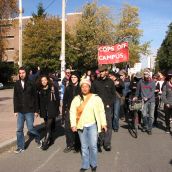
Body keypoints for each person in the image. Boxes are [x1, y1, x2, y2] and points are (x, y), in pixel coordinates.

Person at [70, 79, 107, 172]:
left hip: (92, 126)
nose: (85, 88)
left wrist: (103, 123)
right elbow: (72, 112)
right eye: (83, 86)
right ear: (81, 88)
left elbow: (101, 112)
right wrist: (73, 125)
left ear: (89, 87)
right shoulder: (76, 99)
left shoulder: (96, 98)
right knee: (84, 146)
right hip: (81, 126)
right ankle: (85, 165)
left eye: (86, 86)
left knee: (93, 146)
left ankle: (93, 164)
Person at [13, 67, 42, 153]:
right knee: (19, 129)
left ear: (26, 73)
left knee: (30, 128)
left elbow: (36, 98)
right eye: (20, 73)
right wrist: (15, 110)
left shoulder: (31, 83)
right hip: (21, 110)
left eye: (23, 73)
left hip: (29, 110)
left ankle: (38, 136)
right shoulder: (17, 84)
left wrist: (36, 110)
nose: (21, 74)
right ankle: (20, 147)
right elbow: (15, 97)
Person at [91, 65, 115, 152]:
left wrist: (109, 104)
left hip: (107, 107)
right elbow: (92, 95)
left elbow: (113, 95)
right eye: (99, 72)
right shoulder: (95, 82)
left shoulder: (110, 82)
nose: (101, 73)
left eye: (102, 71)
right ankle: (100, 141)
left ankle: (107, 143)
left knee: (108, 125)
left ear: (106, 72)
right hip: (97, 108)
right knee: (99, 125)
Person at [37, 75, 60, 150]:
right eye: (42, 80)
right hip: (44, 110)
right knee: (47, 125)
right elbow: (38, 101)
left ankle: (46, 142)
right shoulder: (39, 90)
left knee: (47, 126)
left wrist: (57, 110)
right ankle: (51, 139)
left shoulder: (53, 88)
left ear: (47, 80)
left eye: (45, 80)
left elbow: (57, 100)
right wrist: (37, 110)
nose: (43, 81)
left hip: (52, 110)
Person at [62, 71, 81, 153]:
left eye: (75, 77)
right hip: (69, 111)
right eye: (72, 77)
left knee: (77, 128)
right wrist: (63, 113)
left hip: (79, 111)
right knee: (67, 128)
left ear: (78, 78)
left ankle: (77, 145)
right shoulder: (68, 88)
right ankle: (69, 144)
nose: (73, 79)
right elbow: (65, 101)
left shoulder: (81, 88)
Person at [135, 68, 156, 135]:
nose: (146, 75)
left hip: (151, 100)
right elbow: (138, 90)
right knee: (144, 115)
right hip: (143, 100)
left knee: (151, 116)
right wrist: (136, 96)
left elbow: (152, 91)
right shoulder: (140, 82)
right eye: (144, 74)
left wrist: (148, 97)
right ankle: (146, 126)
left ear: (149, 74)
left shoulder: (152, 82)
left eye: (147, 74)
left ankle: (149, 129)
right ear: (143, 75)